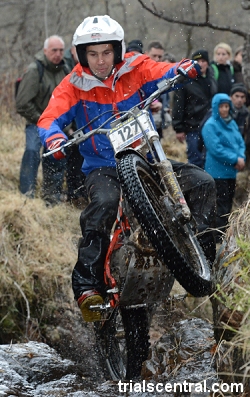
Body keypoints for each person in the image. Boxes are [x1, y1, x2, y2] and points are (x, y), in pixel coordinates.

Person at [37, 15, 216, 323]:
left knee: (202, 183)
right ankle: (86, 286)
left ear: (117, 50)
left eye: (106, 52)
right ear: (82, 55)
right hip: (102, 168)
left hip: (145, 158)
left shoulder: (135, 66)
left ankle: (193, 251)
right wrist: (54, 137)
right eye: (92, 54)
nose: (100, 60)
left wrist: (181, 68)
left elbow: (161, 70)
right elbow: (48, 117)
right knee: (104, 205)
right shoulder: (74, 84)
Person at [16, 35, 70, 204]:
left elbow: (71, 100)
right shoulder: (34, 70)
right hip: (35, 122)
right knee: (32, 152)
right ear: (45, 51)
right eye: (54, 50)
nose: (58, 54)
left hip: (57, 124)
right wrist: (42, 120)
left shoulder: (65, 70)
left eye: (61, 50)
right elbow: (22, 103)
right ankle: (27, 195)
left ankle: (51, 197)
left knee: (56, 156)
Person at [201, 93, 246, 242]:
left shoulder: (231, 123)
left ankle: (224, 235)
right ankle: (217, 238)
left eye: (227, 106)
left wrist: (241, 157)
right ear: (215, 107)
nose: (224, 109)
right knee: (220, 207)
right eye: (221, 106)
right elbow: (216, 149)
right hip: (217, 173)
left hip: (230, 172)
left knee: (227, 206)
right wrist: (235, 159)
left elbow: (240, 142)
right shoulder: (210, 125)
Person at [172, 49, 217, 168]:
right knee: (195, 162)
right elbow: (178, 104)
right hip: (193, 127)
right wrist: (178, 128)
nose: (201, 64)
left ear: (208, 63)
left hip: (210, 126)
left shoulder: (211, 79)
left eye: (203, 61)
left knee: (210, 161)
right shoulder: (185, 81)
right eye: (197, 61)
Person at [64, 44, 87, 208]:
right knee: (73, 162)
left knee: (83, 159)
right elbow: (67, 100)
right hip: (71, 125)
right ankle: (73, 194)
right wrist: (69, 128)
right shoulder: (65, 66)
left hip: (85, 124)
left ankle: (82, 193)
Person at [146, 40, 166, 138]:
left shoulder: (162, 75)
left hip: (157, 122)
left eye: (159, 57)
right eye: (154, 56)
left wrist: (161, 105)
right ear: (146, 54)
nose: (157, 59)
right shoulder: (138, 72)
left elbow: (164, 96)